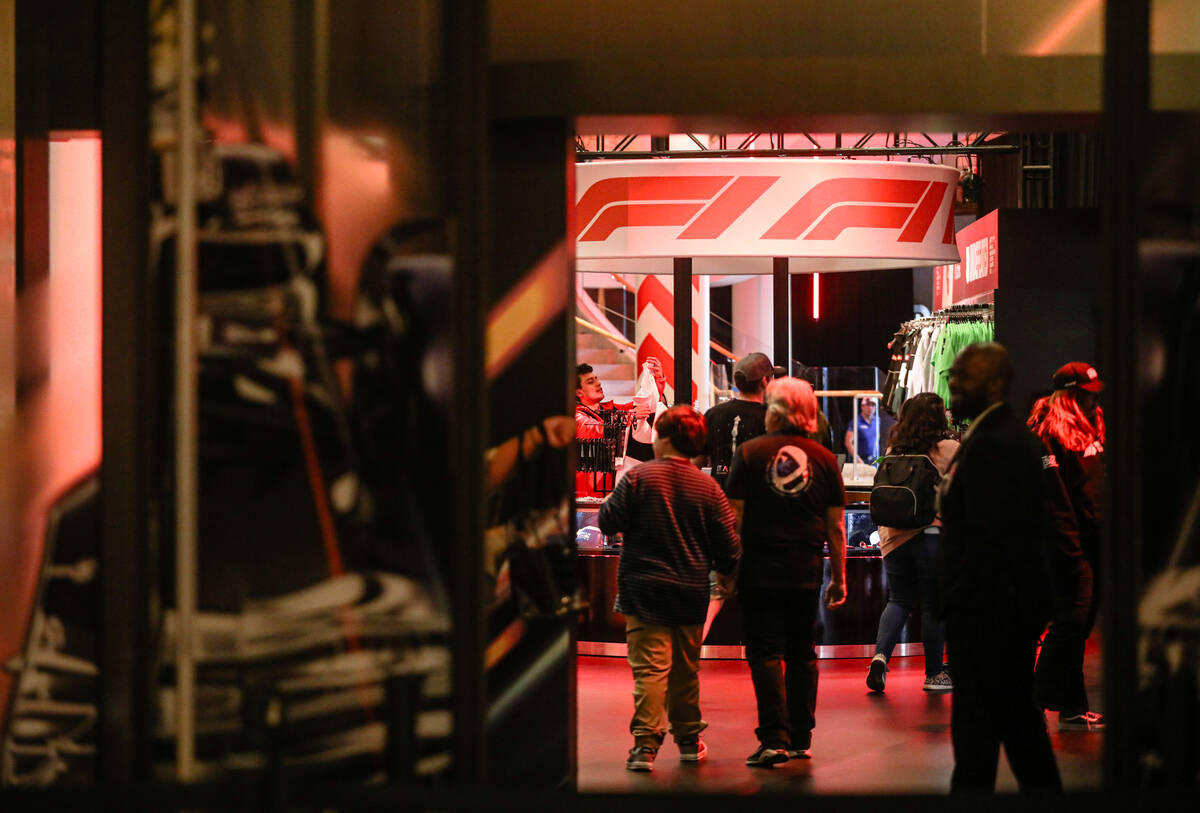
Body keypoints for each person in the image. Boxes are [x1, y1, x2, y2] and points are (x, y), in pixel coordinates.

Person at [939, 342, 1061, 793]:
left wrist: (966, 604)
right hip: (996, 609)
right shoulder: (994, 436)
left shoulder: (996, 444)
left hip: (990, 612)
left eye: (964, 377)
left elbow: (996, 537)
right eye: (953, 374)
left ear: (993, 384)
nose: (953, 383)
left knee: (988, 726)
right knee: (1009, 723)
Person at [598, 405, 741, 772]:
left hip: (643, 591)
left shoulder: (637, 478)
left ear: (664, 439)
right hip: (690, 592)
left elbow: (607, 519)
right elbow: (729, 546)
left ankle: (644, 747)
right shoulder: (708, 487)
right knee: (685, 671)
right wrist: (724, 577)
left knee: (650, 671)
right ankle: (689, 741)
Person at [724, 377, 847, 767]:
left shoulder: (750, 452)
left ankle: (773, 737)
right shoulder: (826, 460)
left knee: (764, 653)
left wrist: (727, 569)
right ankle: (800, 738)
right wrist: (839, 577)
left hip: (758, 568)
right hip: (805, 569)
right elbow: (836, 527)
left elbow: (735, 519)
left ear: (772, 411)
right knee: (801, 653)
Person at [1027, 361, 1106, 731]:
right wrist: (1070, 549)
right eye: (1088, 394)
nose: (1095, 400)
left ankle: (1073, 706)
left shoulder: (1091, 427)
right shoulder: (1048, 432)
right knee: (1070, 623)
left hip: (1093, 542)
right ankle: (1034, 703)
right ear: (1071, 394)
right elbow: (1055, 500)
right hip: (1066, 546)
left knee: (1079, 626)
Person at [866, 392, 958, 693]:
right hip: (932, 536)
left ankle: (880, 657)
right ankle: (934, 675)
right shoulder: (950, 448)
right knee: (933, 606)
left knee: (898, 600)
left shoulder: (894, 448)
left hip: (894, 538)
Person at [576, 363, 653, 498]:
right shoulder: (576, 415)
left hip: (611, 483)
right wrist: (630, 417)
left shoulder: (608, 409)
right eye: (591, 382)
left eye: (596, 379)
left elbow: (643, 405)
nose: (598, 383)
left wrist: (656, 382)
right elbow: (594, 429)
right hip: (590, 490)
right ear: (578, 392)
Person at [701, 352, 774, 488]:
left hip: (720, 499)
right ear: (765, 381)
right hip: (757, 500)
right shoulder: (771, 418)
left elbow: (695, 461)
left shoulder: (713, 414)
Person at [844, 396, 885, 463]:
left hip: (874, 459)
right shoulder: (856, 421)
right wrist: (858, 459)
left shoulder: (877, 420)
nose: (870, 408)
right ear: (862, 406)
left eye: (873, 405)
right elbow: (848, 442)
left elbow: (877, 439)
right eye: (868, 405)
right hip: (861, 460)